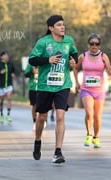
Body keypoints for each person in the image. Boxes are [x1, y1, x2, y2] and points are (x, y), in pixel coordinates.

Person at [29, 14, 78, 164]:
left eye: (63, 24)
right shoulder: (43, 42)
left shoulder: (69, 41)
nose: (62, 27)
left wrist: (73, 62)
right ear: (51, 28)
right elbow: (32, 60)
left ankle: (58, 151)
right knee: (42, 117)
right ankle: (38, 140)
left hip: (63, 85)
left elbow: (74, 54)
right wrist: (47, 60)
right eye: (59, 25)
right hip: (45, 85)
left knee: (60, 117)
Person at [74, 33, 111, 148]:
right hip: (86, 89)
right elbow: (75, 68)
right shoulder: (83, 56)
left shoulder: (103, 56)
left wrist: (108, 67)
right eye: (92, 44)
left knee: (97, 115)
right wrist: (77, 82)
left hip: (99, 90)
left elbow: (110, 72)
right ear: (88, 45)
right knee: (89, 113)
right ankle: (88, 134)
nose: (94, 46)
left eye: (97, 44)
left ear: (100, 45)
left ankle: (96, 137)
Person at [0, 51, 16, 124]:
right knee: (2, 100)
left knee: (9, 98)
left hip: (9, 85)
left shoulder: (10, 64)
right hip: (1, 86)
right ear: (1, 57)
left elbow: (13, 71)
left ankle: (8, 114)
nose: (7, 56)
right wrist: (0, 72)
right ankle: (2, 115)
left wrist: (13, 74)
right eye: (5, 55)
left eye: (7, 55)